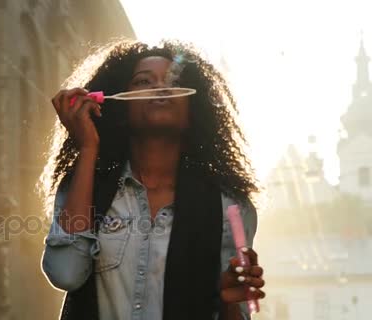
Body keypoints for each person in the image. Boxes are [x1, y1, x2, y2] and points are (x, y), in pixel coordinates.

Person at [39, 40, 266, 320]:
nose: (161, 87)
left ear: (193, 110)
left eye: (174, 80)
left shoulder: (229, 205)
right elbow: (66, 274)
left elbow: (237, 313)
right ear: (120, 105)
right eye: (143, 81)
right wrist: (87, 148)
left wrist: (229, 301)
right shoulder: (83, 188)